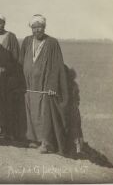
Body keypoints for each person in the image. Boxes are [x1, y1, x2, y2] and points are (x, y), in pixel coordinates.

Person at [21, 14, 69, 154]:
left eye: (40, 27)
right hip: (30, 86)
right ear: (31, 28)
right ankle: (33, 139)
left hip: (43, 86)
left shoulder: (52, 42)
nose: (37, 30)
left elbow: (57, 65)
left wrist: (53, 86)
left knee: (44, 114)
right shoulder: (27, 41)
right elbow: (21, 59)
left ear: (44, 27)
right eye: (34, 27)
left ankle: (45, 142)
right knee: (31, 112)